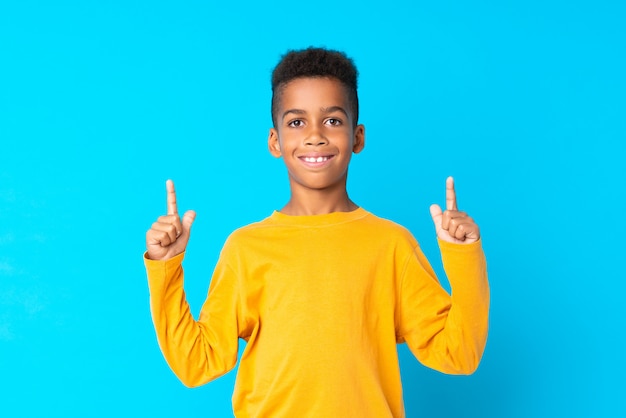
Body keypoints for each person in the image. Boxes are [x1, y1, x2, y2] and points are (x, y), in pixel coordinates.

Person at [144, 47, 489, 418]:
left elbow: (459, 354)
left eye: (333, 121)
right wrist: (166, 267)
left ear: (357, 137)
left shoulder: (392, 245)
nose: (315, 136)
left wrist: (463, 256)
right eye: (296, 122)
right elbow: (197, 363)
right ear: (275, 141)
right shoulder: (246, 248)